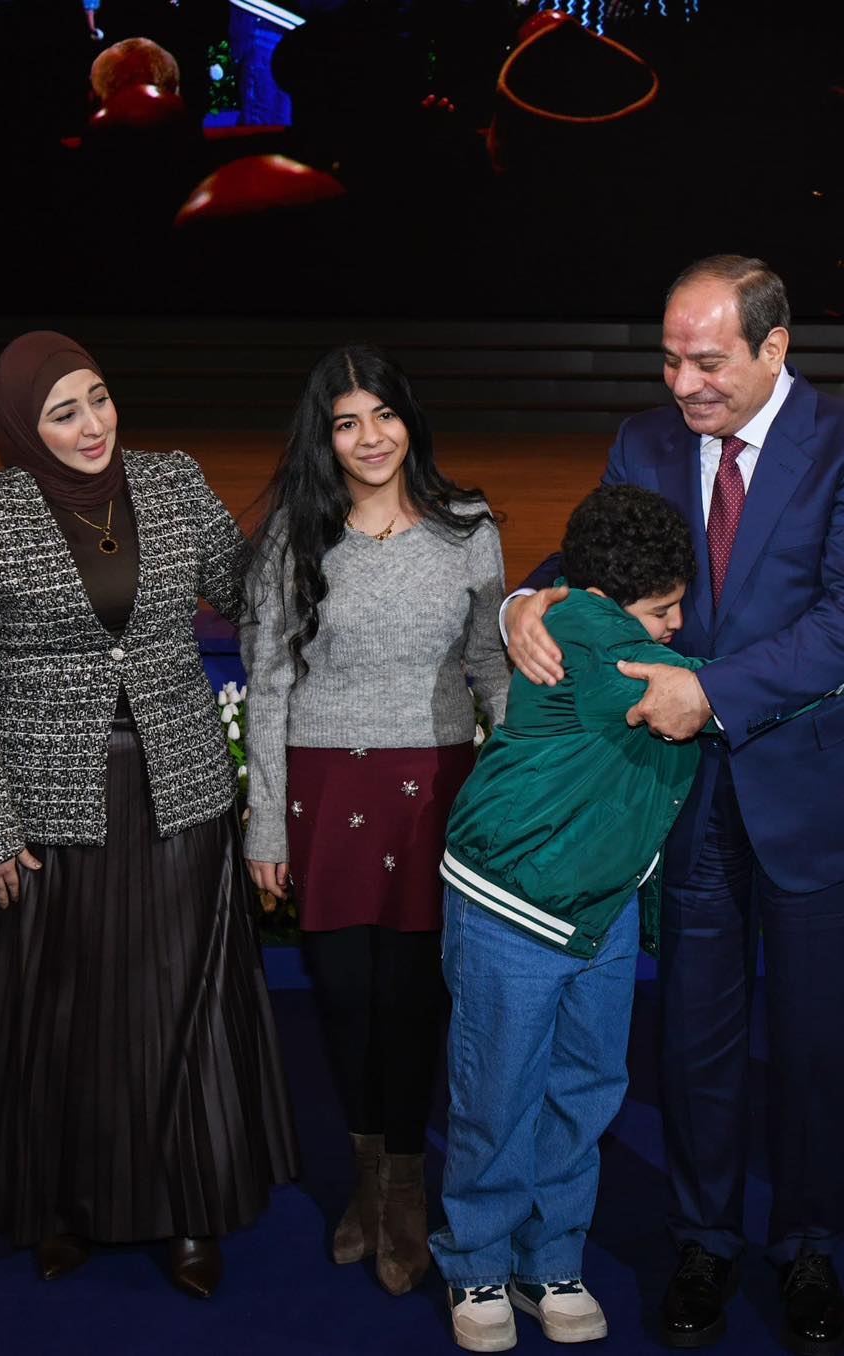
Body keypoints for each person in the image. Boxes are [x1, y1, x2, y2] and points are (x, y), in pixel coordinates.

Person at [503, 255, 844, 1354]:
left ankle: (808, 1247)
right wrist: (527, 598)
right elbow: (593, 561)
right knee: (694, 1040)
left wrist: (712, 691)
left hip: (816, 798)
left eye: (706, 361)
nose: (681, 383)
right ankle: (703, 1239)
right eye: (668, 360)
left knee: (814, 1044)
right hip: (683, 794)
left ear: (773, 347)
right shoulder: (646, 443)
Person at [0, 330, 296, 1296]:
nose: (93, 425)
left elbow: (247, 593)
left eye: (99, 398)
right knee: (66, 1017)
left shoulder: (172, 482)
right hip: (49, 811)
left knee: (179, 1008)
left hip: (179, 789)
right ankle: (66, 1207)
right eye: (64, 412)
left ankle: (189, 1208)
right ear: (25, 426)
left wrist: (318, 526)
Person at [241, 344, 510, 1298]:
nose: (369, 438)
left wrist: (520, 785)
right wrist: (265, 827)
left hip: (433, 789)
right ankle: (367, 1182)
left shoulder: (469, 528)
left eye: (384, 415)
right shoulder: (292, 538)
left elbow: (492, 671)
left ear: (410, 420)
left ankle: (404, 1187)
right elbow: (269, 684)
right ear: (323, 437)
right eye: (346, 422)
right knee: (346, 999)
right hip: (326, 792)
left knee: (415, 1001)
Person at [433, 484, 708, 1352]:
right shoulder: (594, 638)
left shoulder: (589, 618)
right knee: (498, 1092)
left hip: (600, 905)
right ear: (606, 601)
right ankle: (477, 1259)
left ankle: (549, 1258)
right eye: (662, 610)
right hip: (512, 905)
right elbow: (718, 692)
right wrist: (821, 674)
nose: (675, 626)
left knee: (587, 1088)